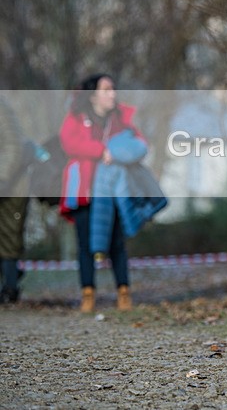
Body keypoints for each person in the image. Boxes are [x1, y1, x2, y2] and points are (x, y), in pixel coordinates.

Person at [59, 74, 144, 312]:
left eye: (113, 89)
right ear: (93, 94)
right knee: (84, 243)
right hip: (84, 190)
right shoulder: (76, 118)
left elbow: (140, 144)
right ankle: (88, 293)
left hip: (114, 190)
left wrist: (116, 152)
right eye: (106, 89)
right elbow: (69, 143)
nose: (112, 94)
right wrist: (100, 151)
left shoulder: (121, 119)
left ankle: (124, 292)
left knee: (117, 242)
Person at [0, 98, 29, 304]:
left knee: (10, 234)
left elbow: (14, 145)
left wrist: (3, 177)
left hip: (12, 184)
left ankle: (11, 288)